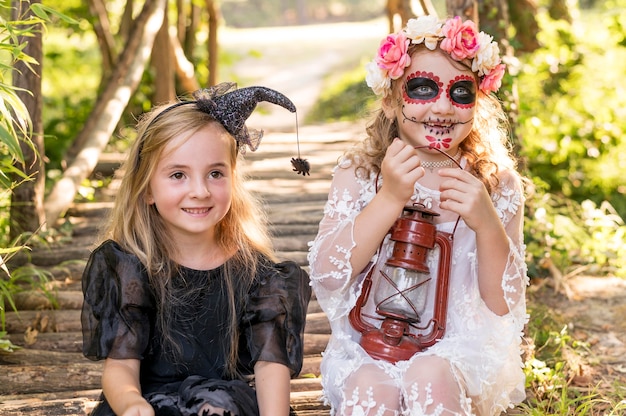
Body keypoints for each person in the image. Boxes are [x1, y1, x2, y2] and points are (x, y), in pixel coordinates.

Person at [307, 15, 528, 416]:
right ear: (392, 100)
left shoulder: (497, 184)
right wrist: (389, 198)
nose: (443, 106)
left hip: (459, 350)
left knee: (430, 374)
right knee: (371, 392)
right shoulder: (361, 174)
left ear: (478, 100)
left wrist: (486, 223)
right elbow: (327, 275)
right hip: (369, 348)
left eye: (460, 92)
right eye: (423, 88)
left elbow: (504, 305)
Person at [81, 83, 312, 416]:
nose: (200, 191)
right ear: (148, 189)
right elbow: (120, 369)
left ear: (233, 179)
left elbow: (269, 367)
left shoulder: (258, 274)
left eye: (215, 173)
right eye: (178, 175)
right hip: (150, 403)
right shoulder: (129, 267)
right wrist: (132, 406)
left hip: (222, 405)